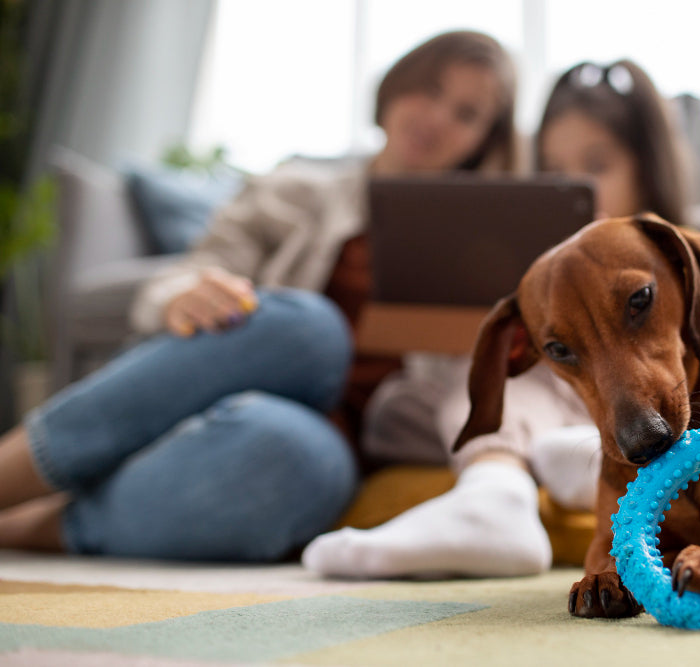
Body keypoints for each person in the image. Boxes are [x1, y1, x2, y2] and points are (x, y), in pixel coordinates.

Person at [0, 30, 519, 561]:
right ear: (395, 87)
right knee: (310, 331)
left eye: (466, 113)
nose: (437, 117)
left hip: (338, 442)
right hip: (263, 367)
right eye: (430, 90)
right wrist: (185, 293)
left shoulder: (485, 248)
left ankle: (39, 528)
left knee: (293, 458)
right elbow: (195, 269)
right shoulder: (292, 190)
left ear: (484, 140)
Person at [301, 58, 694, 578]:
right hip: (522, 409)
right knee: (402, 407)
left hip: (614, 412)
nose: (579, 190)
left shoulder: (667, 260)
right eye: (556, 174)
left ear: (647, 172)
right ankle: (552, 465)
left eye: (596, 168)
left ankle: (498, 491)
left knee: (505, 383)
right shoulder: (544, 271)